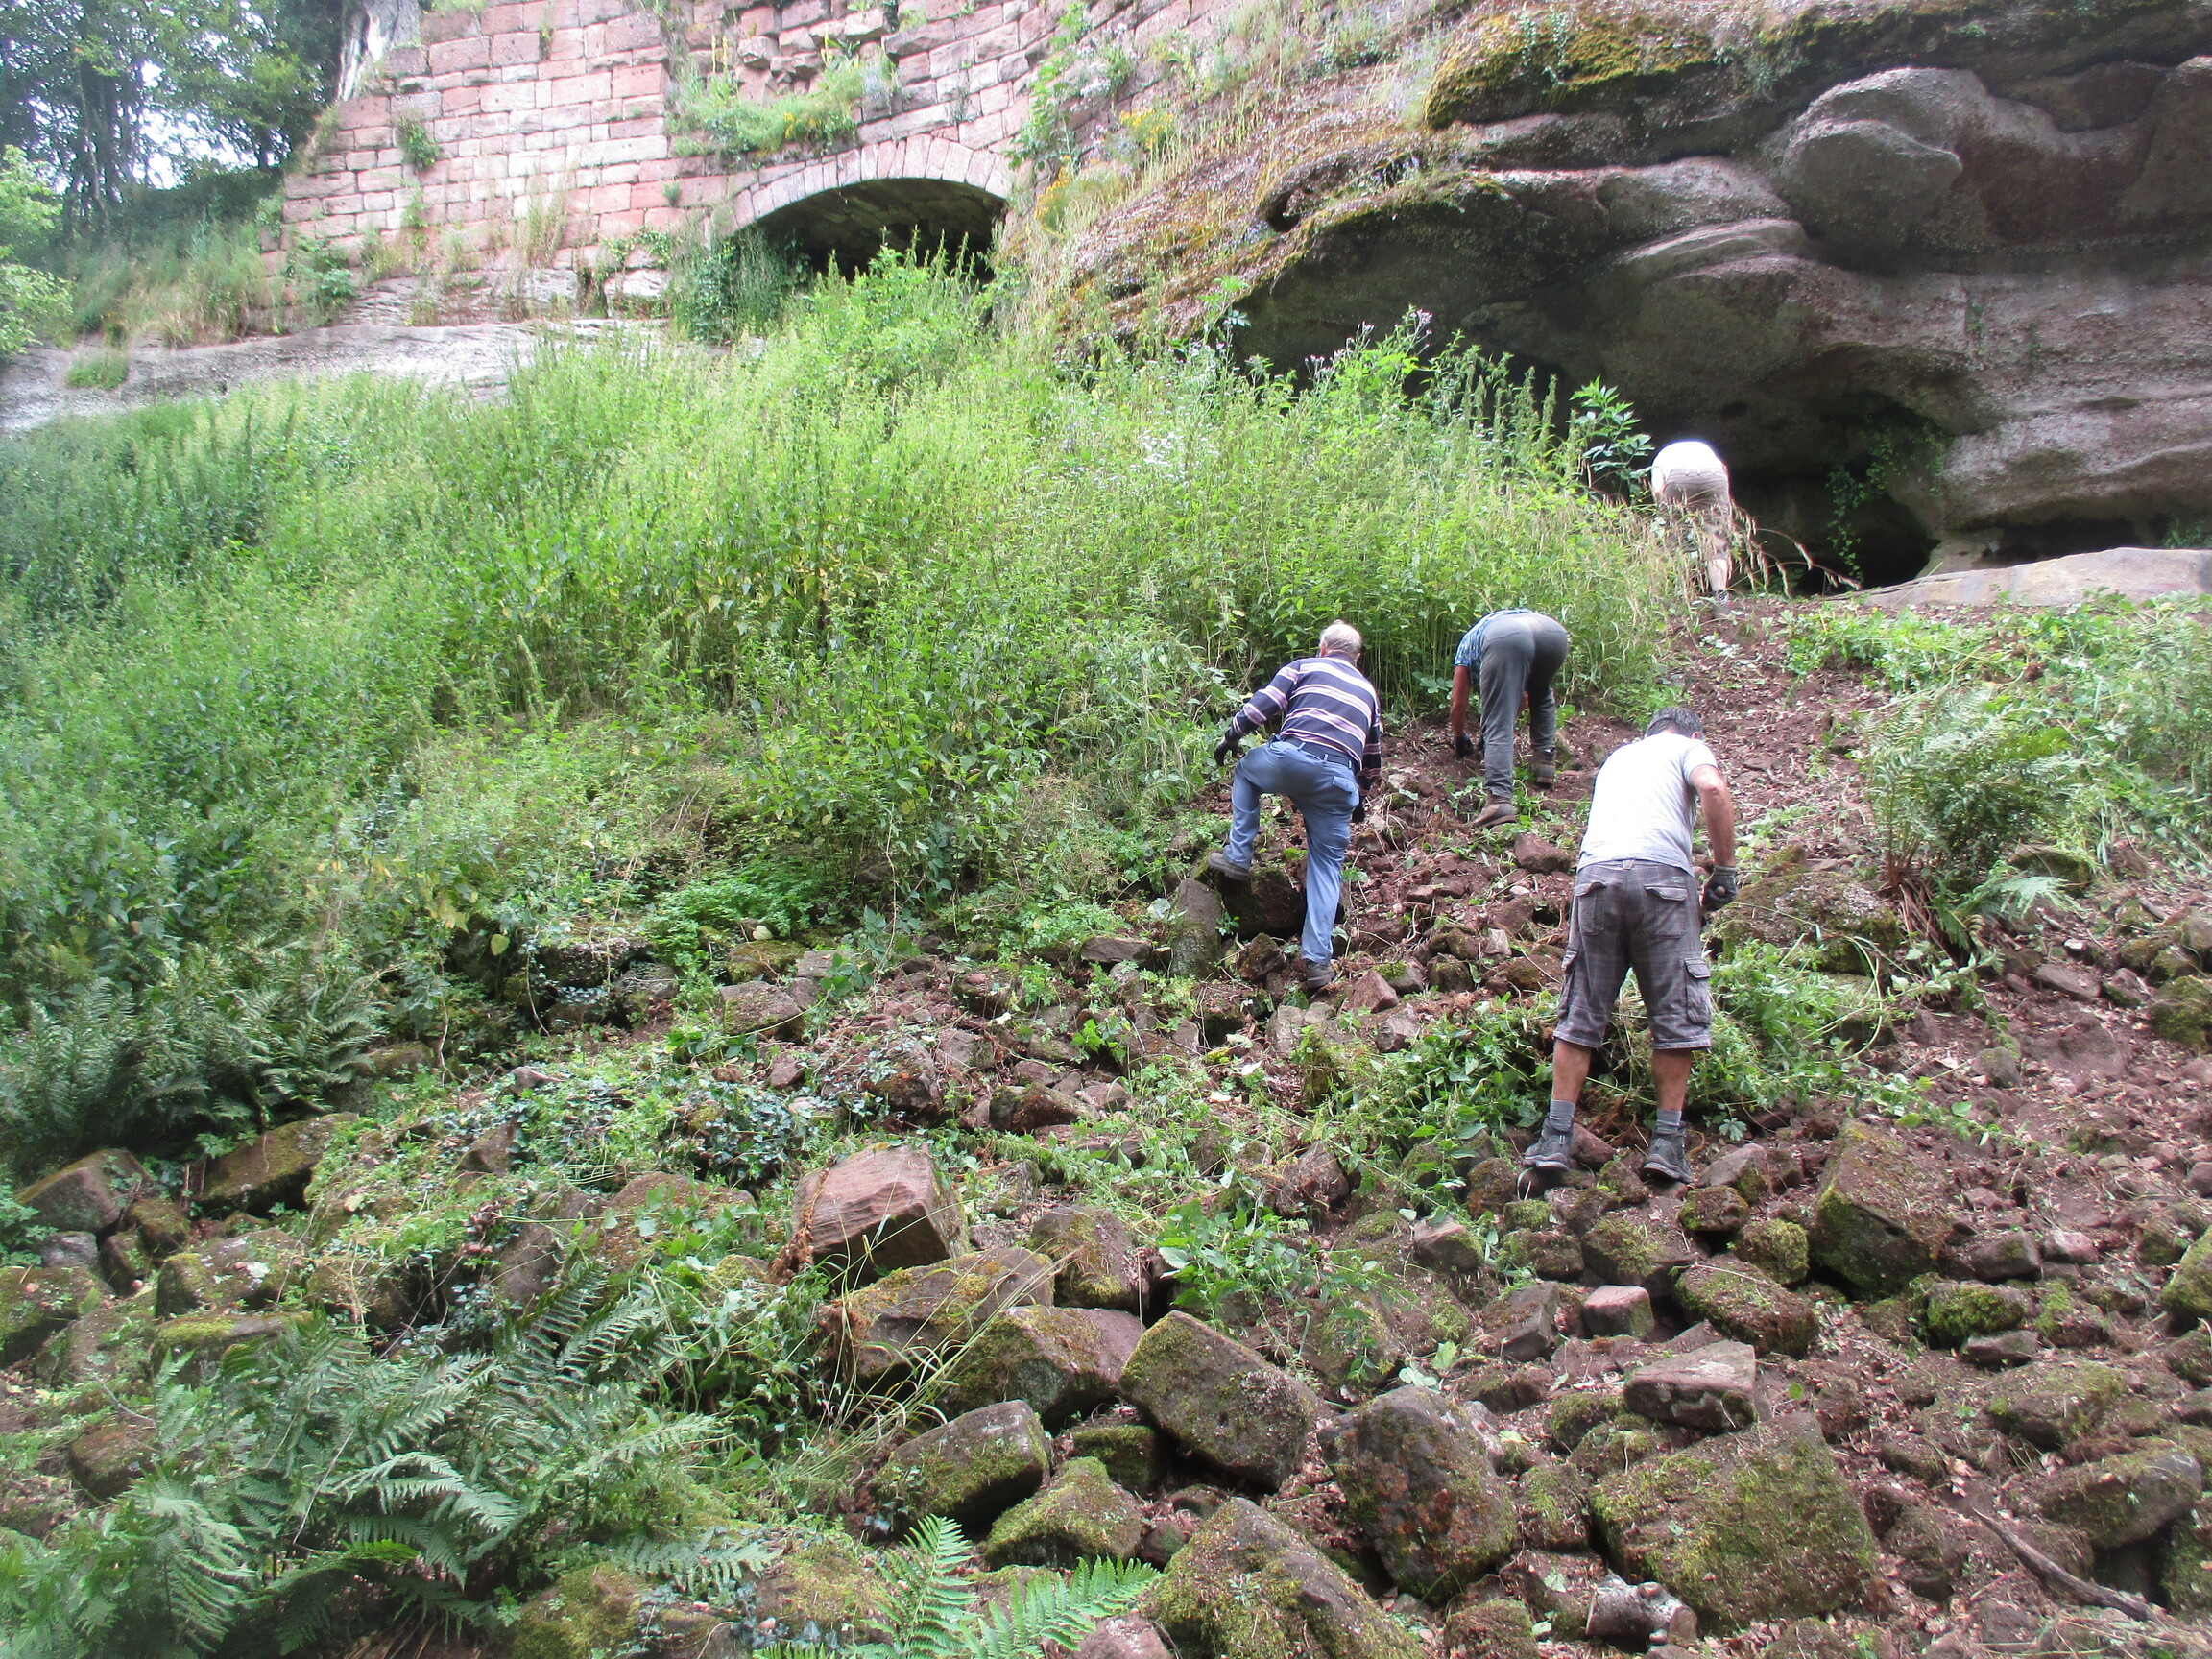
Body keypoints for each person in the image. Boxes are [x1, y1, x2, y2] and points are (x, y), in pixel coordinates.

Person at [1524, 707, 1739, 1184]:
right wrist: (1724, 869)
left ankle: (1555, 1137)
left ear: (1649, 732)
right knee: (1675, 1015)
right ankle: (1667, 1144)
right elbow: (1713, 789)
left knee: (1581, 1012)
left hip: (1597, 878)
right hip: (1662, 880)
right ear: (1693, 734)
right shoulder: (1688, 748)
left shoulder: (1619, 758)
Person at [1206, 620, 1382, 991]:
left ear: (1323, 648)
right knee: (1327, 865)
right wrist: (1360, 797)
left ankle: (1238, 856)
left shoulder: (1304, 666)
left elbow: (1263, 706)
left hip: (1293, 758)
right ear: (1357, 657)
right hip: (1339, 781)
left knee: (1246, 772)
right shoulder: (1368, 693)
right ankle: (1318, 963)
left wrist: (1231, 735)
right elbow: (1372, 754)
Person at [1449, 608, 1571, 829]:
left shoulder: (1466, 647)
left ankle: (1499, 800)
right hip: (1552, 633)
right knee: (1541, 692)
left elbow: (1458, 703)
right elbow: (1522, 698)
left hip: (1507, 636)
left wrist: (1459, 737)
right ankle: (1544, 763)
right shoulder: (1489, 628)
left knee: (1498, 718)